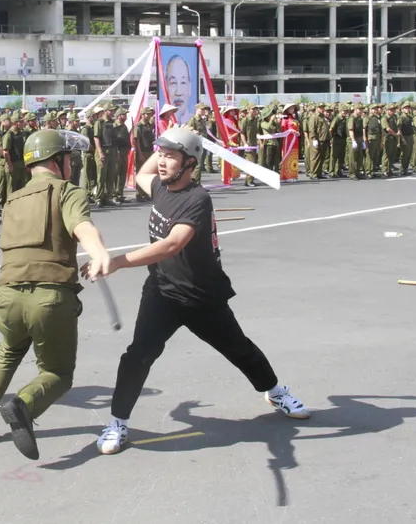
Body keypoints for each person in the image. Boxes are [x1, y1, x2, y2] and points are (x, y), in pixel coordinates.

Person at [92, 127, 309, 455]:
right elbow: (142, 173)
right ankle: (118, 423)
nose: (161, 163)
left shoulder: (198, 199)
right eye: (160, 154)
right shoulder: (160, 186)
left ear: (190, 163)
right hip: (162, 292)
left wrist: (118, 261)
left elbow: (172, 244)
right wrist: (170, 135)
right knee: (138, 355)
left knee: (240, 349)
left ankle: (276, 391)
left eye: (170, 156)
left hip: (201, 296)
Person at [0, 129, 112, 459]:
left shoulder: (13, 198)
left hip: (6, 294)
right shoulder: (66, 190)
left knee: (7, 351)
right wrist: (98, 252)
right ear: (58, 160)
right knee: (58, 374)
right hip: (49, 297)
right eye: (69, 159)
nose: (72, 165)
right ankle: (22, 406)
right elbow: (82, 226)